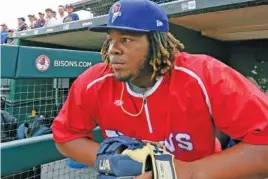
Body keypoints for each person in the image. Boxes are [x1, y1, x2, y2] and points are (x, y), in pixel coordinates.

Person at [51, 0, 268, 178]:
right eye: (110, 40)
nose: (113, 50)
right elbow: (65, 136)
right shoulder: (94, 81)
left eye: (125, 39)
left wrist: (187, 172)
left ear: (156, 42)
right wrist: (111, 157)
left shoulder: (205, 74)